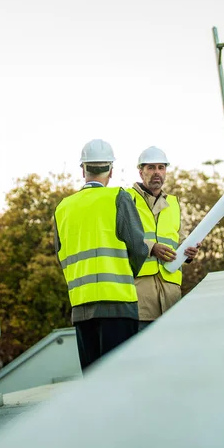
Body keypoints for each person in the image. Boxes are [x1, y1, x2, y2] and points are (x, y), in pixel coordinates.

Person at [54, 139, 148, 371]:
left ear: (83, 169)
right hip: (118, 304)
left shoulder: (63, 208)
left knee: (94, 385)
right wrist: (127, 273)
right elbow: (138, 247)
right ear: (111, 170)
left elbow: (59, 254)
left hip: (81, 307)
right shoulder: (119, 197)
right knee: (120, 379)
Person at [127, 146, 201, 330]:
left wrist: (189, 252)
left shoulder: (174, 204)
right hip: (140, 295)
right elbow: (119, 238)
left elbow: (179, 242)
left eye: (161, 167)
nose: (157, 172)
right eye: (151, 167)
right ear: (140, 171)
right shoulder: (126, 199)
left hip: (171, 297)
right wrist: (152, 248)